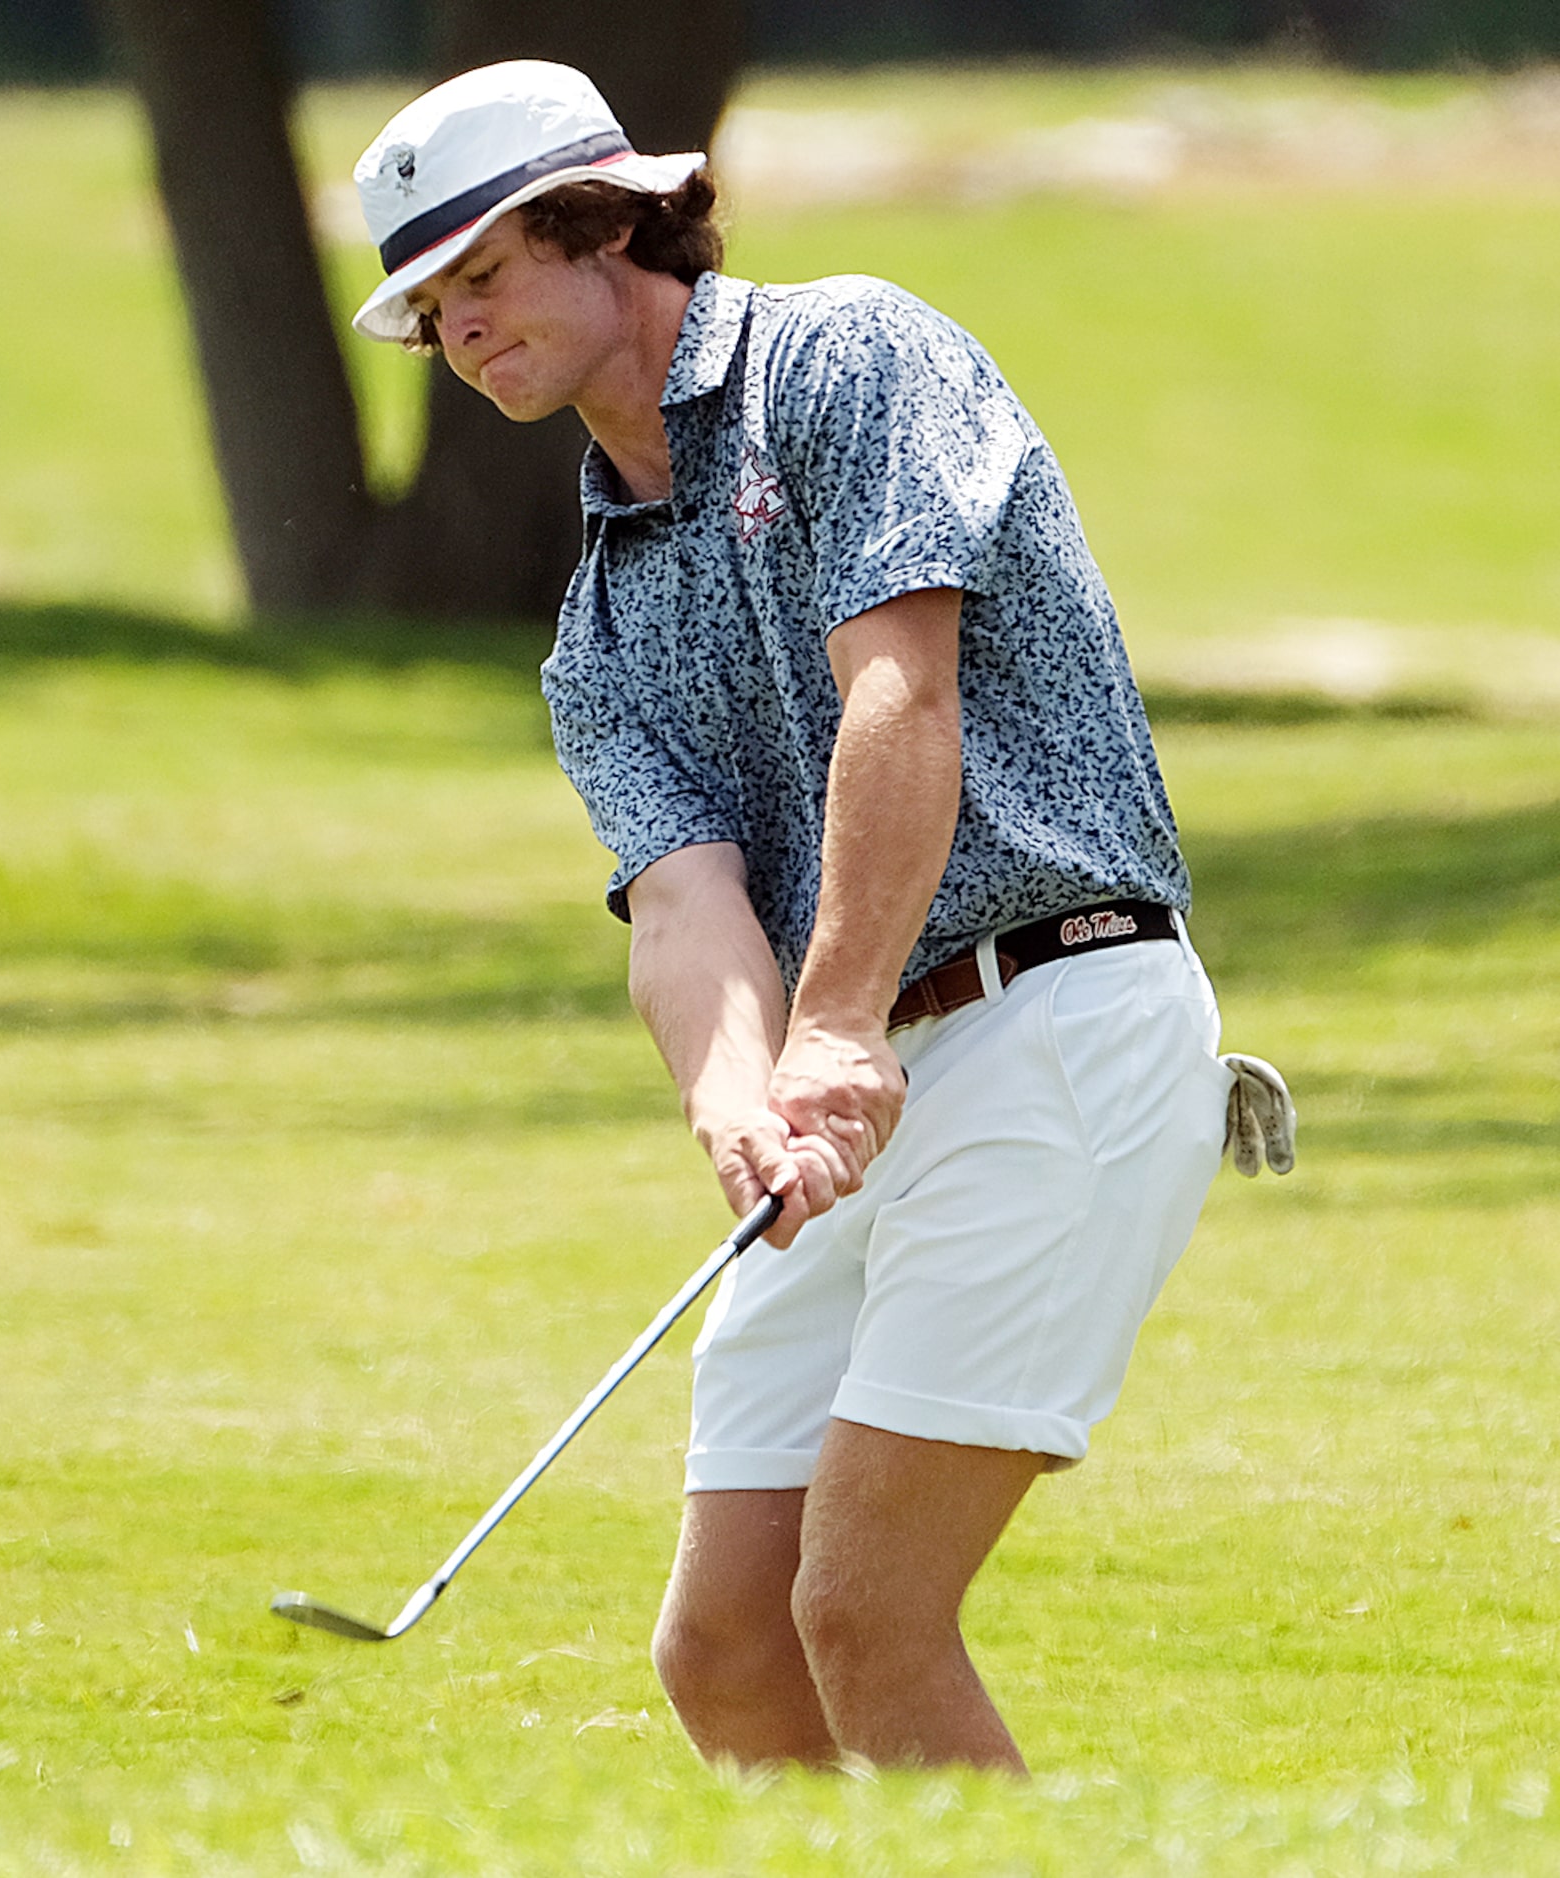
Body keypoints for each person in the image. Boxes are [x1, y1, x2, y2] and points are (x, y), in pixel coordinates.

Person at [346, 61, 1270, 1775]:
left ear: (603, 227)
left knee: (862, 1607)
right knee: (725, 1647)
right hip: (854, 1085)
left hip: (1053, 1012)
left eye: (483, 274)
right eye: (429, 307)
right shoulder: (594, 638)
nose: (460, 331)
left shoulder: (849, 360)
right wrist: (740, 1093)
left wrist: (835, 1023)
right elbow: (683, 906)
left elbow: (900, 697)